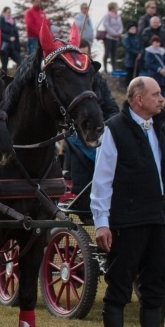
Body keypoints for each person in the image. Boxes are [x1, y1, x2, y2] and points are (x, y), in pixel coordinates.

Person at [91, 76, 165, 327]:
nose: (162, 99)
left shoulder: (162, 128)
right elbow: (102, 179)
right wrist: (102, 222)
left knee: (155, 289)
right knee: (119, 290)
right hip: (127, 222)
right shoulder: (115, 129)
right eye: (156, 94)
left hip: (159, 221)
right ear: (138, 99)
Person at [63, 39, 119, 208]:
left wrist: (113, 126)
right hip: (77, 132)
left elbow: (110, 105)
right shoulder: (66, 79)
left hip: (101, 129)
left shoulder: (98, 79)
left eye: (85, 55)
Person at [0, 6, 21, 72]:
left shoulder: (12, 21)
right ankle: (3, 78)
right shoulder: (1, 19)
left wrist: (18, 46)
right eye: (8, 12)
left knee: (20, 61)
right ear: (4, 12)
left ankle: (17, 76)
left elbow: (16, 34)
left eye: (10, 12)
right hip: (4, 47)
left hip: (12, 47)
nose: (9, 14)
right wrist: (8, 38)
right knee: (4, 66)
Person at [101, 2, 123, 74]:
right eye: (116, 7)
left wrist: (119, 32)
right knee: (107, 53)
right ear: (112, 8)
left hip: (116, 38)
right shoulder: (107, 16)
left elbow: (121, 26)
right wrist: (114, 33)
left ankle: (114, 68)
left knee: (114, 54)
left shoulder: (118, 16)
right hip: (108, 37)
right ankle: (105, 69)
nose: (117, 8)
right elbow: (106, 25)